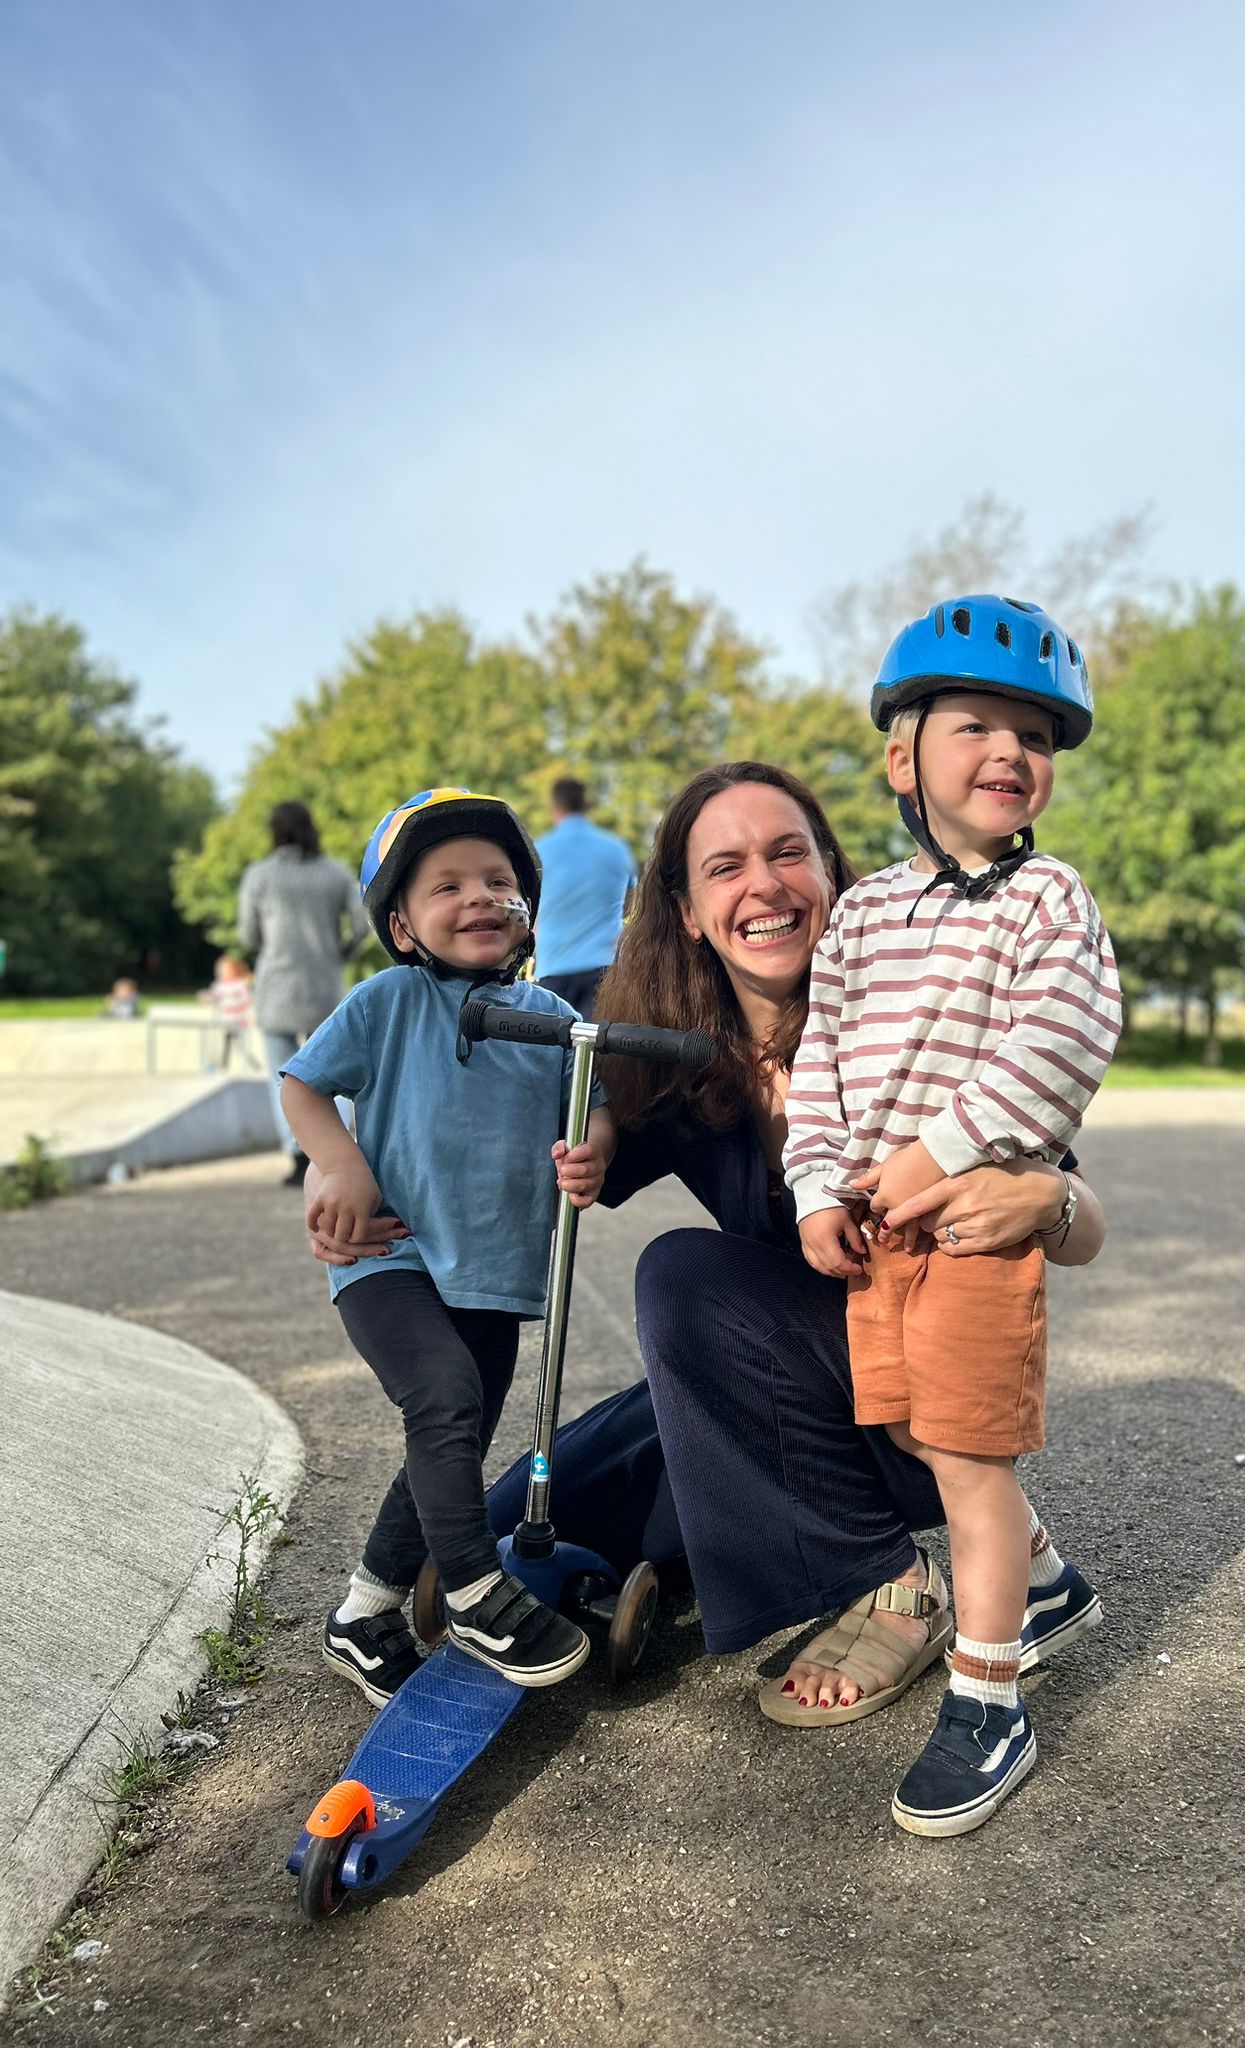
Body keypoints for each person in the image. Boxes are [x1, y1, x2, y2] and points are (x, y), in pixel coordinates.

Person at [310, 762, 1108, 1738]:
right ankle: (689, 1544)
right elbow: (445, 1013)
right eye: (725, 866)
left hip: (919, 1392)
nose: (763, 886)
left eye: (787, 854)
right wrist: (333, 1157)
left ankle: (888, 1576)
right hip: (783, 1358)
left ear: (834, 877)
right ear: (686, 908)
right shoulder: (655, 1028)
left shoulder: (924, 1005)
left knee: (685, 1284)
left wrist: (1050, 1194)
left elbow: (1082, 1228)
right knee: (525, 1504)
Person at [783, 595, 1121, 1838]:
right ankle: (1047, 1580)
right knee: (924, 1430)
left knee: (972, 1464)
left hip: (973, 1225)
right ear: (900, 757)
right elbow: (818, 1062)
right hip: (882, 1234)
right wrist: (819, 1184)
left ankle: (991, 1699)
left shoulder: (1051, 903)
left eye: (1032, 735)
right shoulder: (863, 913)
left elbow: (1066, 1038)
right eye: (972, 722)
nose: (1007, 753)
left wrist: (940, 1148)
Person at [281, 788, 615, 1703]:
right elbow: (304, 1089)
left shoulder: (550, 1015)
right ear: (401, 924)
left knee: (452, 1437)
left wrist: (595, 1152)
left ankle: (363, 1611)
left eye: (499, 880)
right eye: (448, 885)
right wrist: (338, 1166)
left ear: (527, 909)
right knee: (443, 1396)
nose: (480, 897)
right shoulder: (388, 1001)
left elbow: (595, 1108)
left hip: (494, 1276)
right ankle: (472, 1588)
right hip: (389, 1257)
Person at [238, 801, 364, 1186]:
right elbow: (362, 923)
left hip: (276, 986)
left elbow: (247, 935)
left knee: (281, 1076)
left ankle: (296, 1155)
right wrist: (341, 953)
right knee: (331, 1072)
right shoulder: (336, 873)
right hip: (324, 984)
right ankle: (335, 1152)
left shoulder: (260, 876)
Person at [533, 776, 637, 1019]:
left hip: (554, 967)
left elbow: (531, 909)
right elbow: (629, 906)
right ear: (586, 805)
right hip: (606, 968)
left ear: (555, 807)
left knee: (556, 1052)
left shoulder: (539, 851)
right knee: (601, 1051)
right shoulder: (617, 849)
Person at [197, 953, 256, 1068]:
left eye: (225, 970)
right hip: (224, 1021)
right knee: (222, 1044)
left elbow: (248, 998)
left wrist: (236, 996)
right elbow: (213, 996)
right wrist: (206, 997)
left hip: (238, 1021)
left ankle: (249, 1063)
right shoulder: (219, 985)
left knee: (242, 1045)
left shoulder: (239, 985)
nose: (221, 973)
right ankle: (221, 1064)